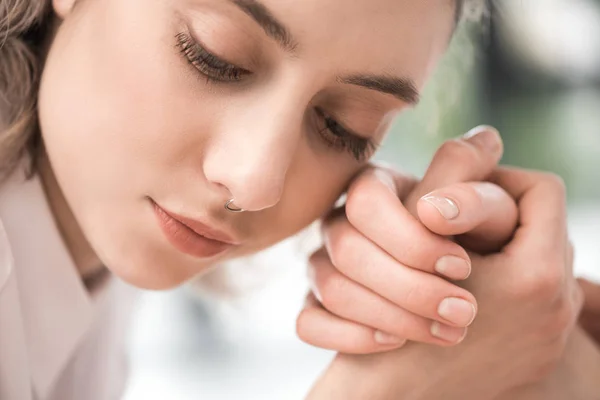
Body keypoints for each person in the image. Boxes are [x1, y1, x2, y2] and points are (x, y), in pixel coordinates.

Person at [1, 1, 598, 400]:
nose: (254, 181)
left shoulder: (80, 263)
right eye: (213, 58)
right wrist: (393, 386)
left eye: (343, 127)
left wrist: (511, 322)